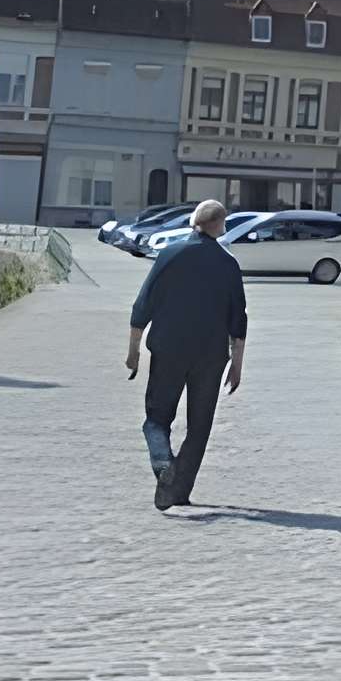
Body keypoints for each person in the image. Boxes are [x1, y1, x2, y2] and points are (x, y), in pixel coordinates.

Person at [125, 198, 247, 511]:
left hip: (168, 349)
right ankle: (176, 490)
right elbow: (238, 318)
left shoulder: (169, 255)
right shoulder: (228, 263)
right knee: (200, 425)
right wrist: (237, 364)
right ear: (220, 227)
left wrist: (134, 350)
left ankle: (163, 461)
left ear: (193, 222)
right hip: (209, 356)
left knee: (156, 420)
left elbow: (143, 305)